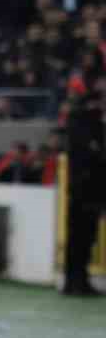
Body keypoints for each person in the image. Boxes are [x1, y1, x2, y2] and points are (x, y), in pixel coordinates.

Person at [63, 79, 105, 296]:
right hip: (86, 188)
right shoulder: (87, 125)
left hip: (83, 188)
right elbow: (96, 155)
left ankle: (76, 280)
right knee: (82, 236)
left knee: (81, 237)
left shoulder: (79, 123)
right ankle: (76, 280)